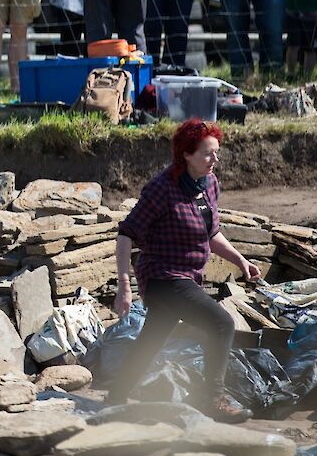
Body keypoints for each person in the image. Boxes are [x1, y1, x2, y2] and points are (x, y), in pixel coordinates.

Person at [111, 119, 259, 423]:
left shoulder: (209, 186)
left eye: (216, 152)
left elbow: (211, 233)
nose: (214, 159)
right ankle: (212, 398)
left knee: (153, 337)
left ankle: (116, 395)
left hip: (187, 278)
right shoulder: (162, 189)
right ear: (186, 155)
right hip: (162, 277)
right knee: (221, 323)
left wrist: (240, 261)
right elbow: (126, 233)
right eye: (207, 153)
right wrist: (123, 285)